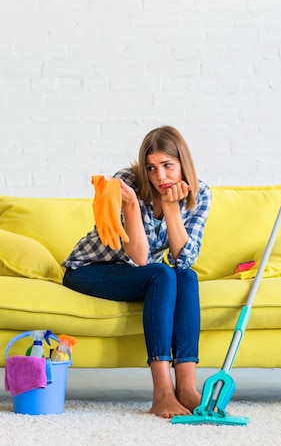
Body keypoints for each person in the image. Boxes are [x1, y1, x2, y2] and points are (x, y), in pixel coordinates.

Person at [62, 125, 212, 418]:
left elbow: (185, 259)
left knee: (185, 276)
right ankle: (162, 393)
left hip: (136, 273)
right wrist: (131, 205)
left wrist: (171, 209)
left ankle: (186, 388)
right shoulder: (127, 183)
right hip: (90, 270)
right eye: (152, 168)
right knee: (161, 273)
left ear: (183, 163)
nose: (160, 177)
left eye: (168, 166)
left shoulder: (201, 193)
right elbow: (140, 258)